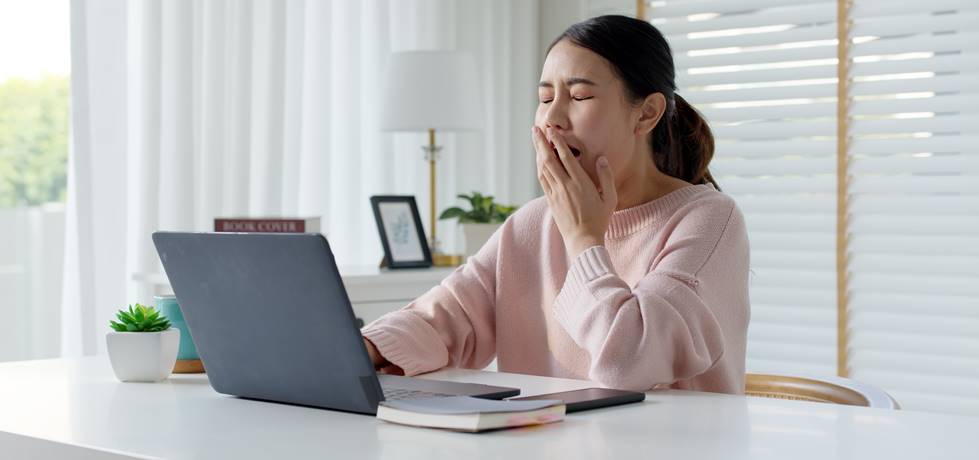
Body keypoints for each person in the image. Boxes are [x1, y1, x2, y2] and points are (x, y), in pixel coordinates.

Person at [361, 15, 750, 393]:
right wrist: (367, 348)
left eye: (580, 95)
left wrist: (583, 237)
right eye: (545, 98)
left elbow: (630, 361)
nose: (553, 118)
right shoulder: (533, 222)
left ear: (646, 113)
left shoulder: (708, 219)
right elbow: (447, 317)